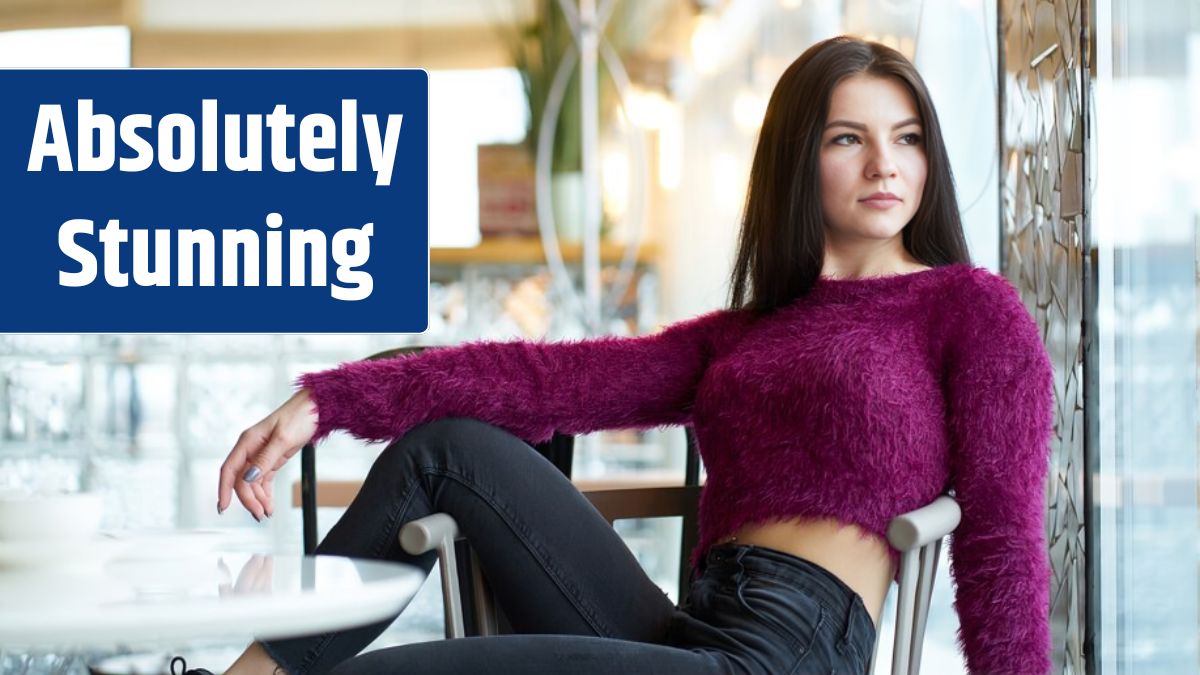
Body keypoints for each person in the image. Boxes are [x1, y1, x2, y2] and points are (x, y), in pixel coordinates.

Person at [201, 35, 1055, 675]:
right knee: (445, 449)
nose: (885, 164)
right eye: (847, 139)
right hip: (688, 626)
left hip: (788, 652)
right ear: (799, 157)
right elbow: (544, 380)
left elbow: (1003, 548)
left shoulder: (969, 308)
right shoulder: (744, 332)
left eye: (906, 138)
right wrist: (325, 401)